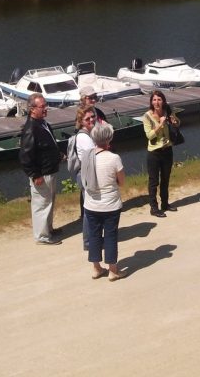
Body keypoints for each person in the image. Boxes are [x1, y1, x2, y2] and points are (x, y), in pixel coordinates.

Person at [82, 122, 126, 281]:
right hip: (110, 205)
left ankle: (96, 268)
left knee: (93, 235)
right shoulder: (114, 158)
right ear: (109, 139)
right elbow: (121, 182)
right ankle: (113, 270)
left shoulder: (87, 156)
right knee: (110, 235)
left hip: (91, 204)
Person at [18, 93, 63, 245]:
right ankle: (42, 236)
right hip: (42, 174)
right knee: (42, 204)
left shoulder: (42, 123)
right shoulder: (31, 128)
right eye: (42, 106)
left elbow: (47, 145)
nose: (45, 109)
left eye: (46, 105)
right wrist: (35, 174)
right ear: (32, 109)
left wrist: (58, 155)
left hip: (50, 170)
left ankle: (48, 229)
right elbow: (25, 156)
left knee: (49, 202)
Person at [143, 90, 180, 218]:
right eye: (154, 100)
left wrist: (175, 122)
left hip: (167, 150)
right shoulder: (147, 116)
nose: (157, 102)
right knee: (154, 181)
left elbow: (177, 123)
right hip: (154, 153)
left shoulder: (168, 111)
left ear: (163, 101)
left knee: (165, 179)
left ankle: (165, 203)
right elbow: (149, 135)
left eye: (159, 100)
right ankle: (154, 207)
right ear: (151, 102)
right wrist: (160, 124)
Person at [75, 104, 98, 251]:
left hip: (89, 174)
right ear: (81, 121)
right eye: (87, 118)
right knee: (89, 211)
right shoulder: (84, 137)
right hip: (87, 176)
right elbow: (94, 156)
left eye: (92, 116)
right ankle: (88, 242)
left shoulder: (90, 133)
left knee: (92, 209)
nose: (91, 120)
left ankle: (93, 238)